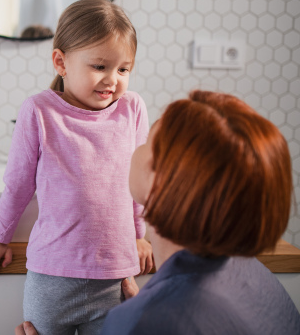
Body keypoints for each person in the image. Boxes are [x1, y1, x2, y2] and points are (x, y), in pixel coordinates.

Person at [17, 90, 300, 335]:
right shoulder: (256, 276)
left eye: (147, 142)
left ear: (160, 182)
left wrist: (142, 316)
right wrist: (150, 303)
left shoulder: (141, 322)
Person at [0, 0, 153, 334]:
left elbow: (137, 179)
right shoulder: (39, 111)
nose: (112, 79)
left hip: (115, 278)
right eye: (99, 67)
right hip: (53, 278)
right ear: (61, 61)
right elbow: (19, 183)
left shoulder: (133, 108)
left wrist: (139, 236)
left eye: (123, 69)